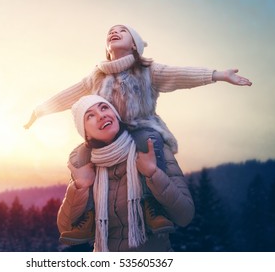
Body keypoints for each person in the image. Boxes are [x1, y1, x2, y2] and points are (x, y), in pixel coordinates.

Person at [24, 24, 252, 242]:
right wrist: (39, 111)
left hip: (142, 127)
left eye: (122, 30)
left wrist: (218, 75)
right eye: (111, 32)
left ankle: (151, 205)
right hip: (108, 135)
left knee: (150, 141)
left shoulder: (147, 70)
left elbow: (179, 74)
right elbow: (69, 94)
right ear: (106, 47)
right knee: (77, 157)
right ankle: (88, 218)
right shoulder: (96, 76)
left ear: (134, 45)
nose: (114, 32)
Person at [57, 95, 195, 252]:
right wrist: (79, 187)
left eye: (104, 108)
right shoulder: (85, 165)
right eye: (90, 115)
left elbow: (185, 215)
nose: (101, 115)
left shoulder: (150, 149)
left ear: (115, 114)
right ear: (86, 134)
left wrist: (153, 174)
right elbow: (65, 228)